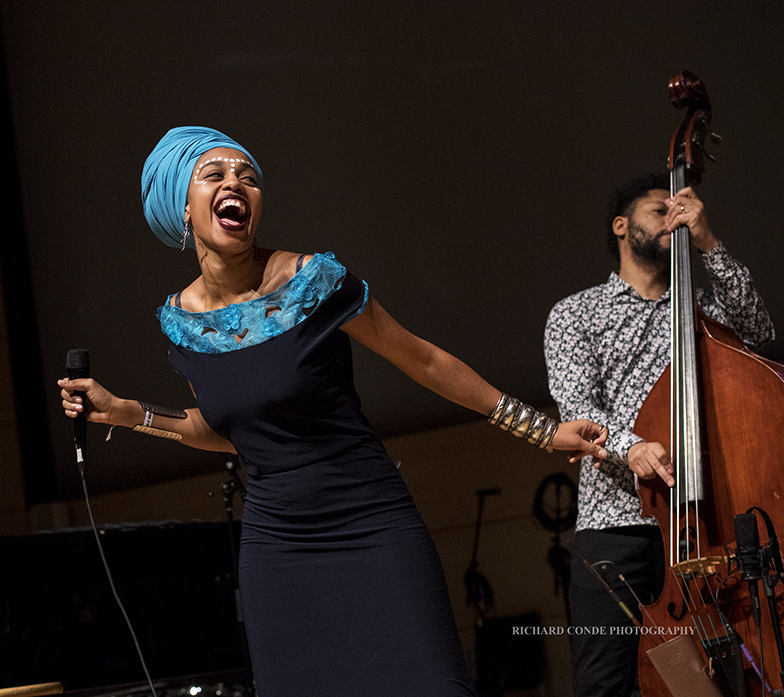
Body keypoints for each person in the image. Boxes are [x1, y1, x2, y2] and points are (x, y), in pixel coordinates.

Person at [59, 126, 609, 697]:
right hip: (278, 548)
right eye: (215, 175)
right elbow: (235, 434)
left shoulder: (312, 281)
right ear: (182, 207)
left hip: (370, 519)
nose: (237, 185)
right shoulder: (180, 323)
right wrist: (128, 413)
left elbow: (421, 360)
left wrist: (542, 430)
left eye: (248, 177)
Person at [544, 173, 775, 697]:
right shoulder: (576, 314)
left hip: (702, 524)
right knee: (606, 684)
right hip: (616, 527)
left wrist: (709, 242)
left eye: (679, 210)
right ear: (622, 227)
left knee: (717, 682)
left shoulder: (701, 312)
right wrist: (631, 446)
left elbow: (760, 334)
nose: (672, 217)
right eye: (658, 210)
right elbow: (579, 408)